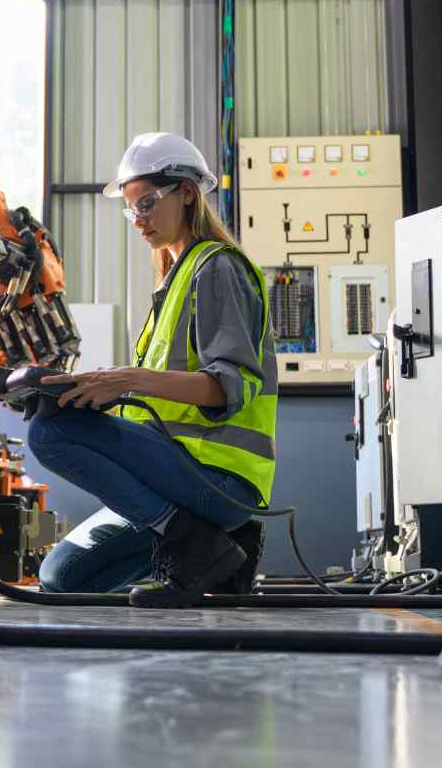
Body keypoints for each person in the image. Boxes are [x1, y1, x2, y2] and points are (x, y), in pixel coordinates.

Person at [28, 132, 279, 606]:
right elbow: (157, 400)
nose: (138, 220)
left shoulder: (217, 268)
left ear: (187, 193)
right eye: (131, 210)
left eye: (146, 204)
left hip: (217, 477)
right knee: (62, 577)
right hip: (170, 479)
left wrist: (122, 380)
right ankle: (219, 550)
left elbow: (231, 388)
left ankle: (193, 544)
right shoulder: (173, 280)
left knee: (50, 434)